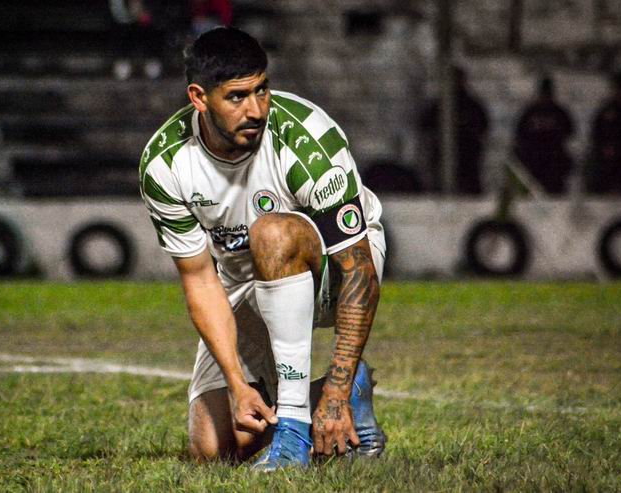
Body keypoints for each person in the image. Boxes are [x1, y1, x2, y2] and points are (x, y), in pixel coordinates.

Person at [139, 27, 387, 470]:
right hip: (243, 279)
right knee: (213, 446)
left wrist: (335, 394)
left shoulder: (306, 137)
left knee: (271, 233)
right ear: (199, 97)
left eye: (261, 90)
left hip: (334, 266)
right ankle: (338, 391)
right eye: (237, 97)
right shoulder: (166, 165)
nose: (255, 109)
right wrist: (237, 384)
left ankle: (295, 425)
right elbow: (199, 278)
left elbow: (359, 268)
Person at [419, 67, 489, 195]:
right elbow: (425, 127)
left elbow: (482, 128)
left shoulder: (472, 106)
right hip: (441, 158)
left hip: (467, 159)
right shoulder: (438, 105)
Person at [513, 76, 575, 195]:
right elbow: (519, 135)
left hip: (554, 160)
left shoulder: (559, 112)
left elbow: (570, 134)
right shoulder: (530, 112)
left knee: (554, 194)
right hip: (533, 159)